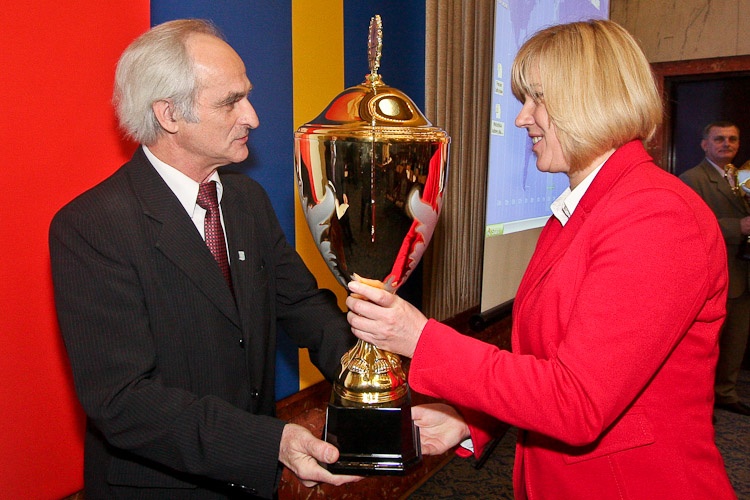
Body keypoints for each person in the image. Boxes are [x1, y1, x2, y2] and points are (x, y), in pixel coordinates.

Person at [345, 19, 736, 499]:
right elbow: (546, 361)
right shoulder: (585, 208)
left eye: (537, 99)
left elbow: (577, 401)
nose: (521, 118)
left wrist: (420, 338)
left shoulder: (657, 215)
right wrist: (471, 421)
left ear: (590, 99)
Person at [49, 19, 360, 499]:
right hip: (163, 486)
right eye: (231, 102)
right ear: (169, 114)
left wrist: (369, 378)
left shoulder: (247, 200)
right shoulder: (92, 227)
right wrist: (269, 443)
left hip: (252, 482)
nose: (253, 117)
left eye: (247, 97)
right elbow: (124, 401)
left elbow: (303, 307)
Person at [680, 121, 750, 417]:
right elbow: (691, 226)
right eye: (719, 139)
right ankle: (699, 402)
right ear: (704, 144)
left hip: (743, 274)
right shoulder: (691, 179)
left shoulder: (742, 176)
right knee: (708, 346)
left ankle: (726, 392)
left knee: (736, 341)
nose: (726, 144)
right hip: (716, 275)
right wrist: (738, 227)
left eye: (732, 139)